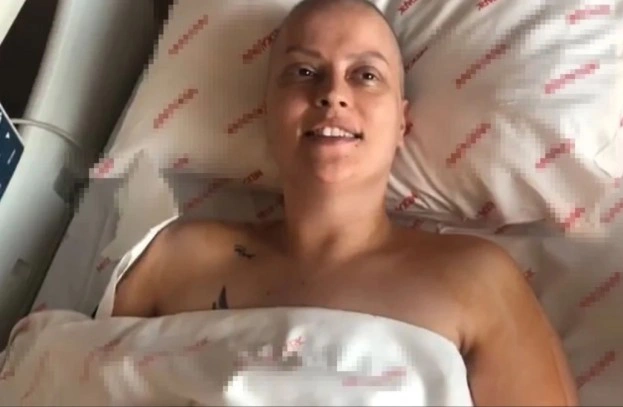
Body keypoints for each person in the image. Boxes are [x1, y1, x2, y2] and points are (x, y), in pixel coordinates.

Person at [108, 0, 578, 404]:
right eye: (304, 72)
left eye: (366, 75)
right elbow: (78, 374)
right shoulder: (175, 259)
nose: (333, 94)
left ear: (401, 123)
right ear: (267, 113)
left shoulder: (476, 279)